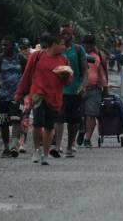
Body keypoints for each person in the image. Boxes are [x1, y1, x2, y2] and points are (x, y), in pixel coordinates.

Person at [13, 33, 72, 166]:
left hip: (55, 97)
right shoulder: (37, 56)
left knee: (49, 126)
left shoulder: (64, 60)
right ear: (53, 44)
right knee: (38, 124)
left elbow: (68, 82)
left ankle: (45, 154)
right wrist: (19, 93)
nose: (64, 47)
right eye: (62, 44)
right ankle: (37, 150)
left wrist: (65, 76)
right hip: (38, 95)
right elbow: (27, 76)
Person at [54, 25, 87, 158]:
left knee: (73, 120)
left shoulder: (78, 49)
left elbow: (85, 70)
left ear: (72, 36)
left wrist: (82, 86)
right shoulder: (56, 49)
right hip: (59, 89)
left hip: (74, 89)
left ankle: (70, 144)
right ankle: (57, 145)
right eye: (63, 34)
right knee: (59, 118)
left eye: (67, 34)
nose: (65, 37)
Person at [0, 36, 26, 158]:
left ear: (12, 45)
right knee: (4, 123)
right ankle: (6, 147)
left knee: (16, 119)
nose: (3, 47)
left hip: (17, 94)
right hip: (2, 96)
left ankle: (14, 145)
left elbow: (27, 73)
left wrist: (25, 89)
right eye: (2, 45)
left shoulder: (21, 58)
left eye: (6, 45)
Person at [81, 34, 109, 148]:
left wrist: (105, 90)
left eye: (90, 45)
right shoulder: (79, 53)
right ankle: (81, 131)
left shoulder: (99, 55)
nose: (88, 47)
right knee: (78, 115)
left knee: (91, 114)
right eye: (86, 45)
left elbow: (103, 73)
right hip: (79, 89)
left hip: (94, 89)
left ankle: (87, 138)